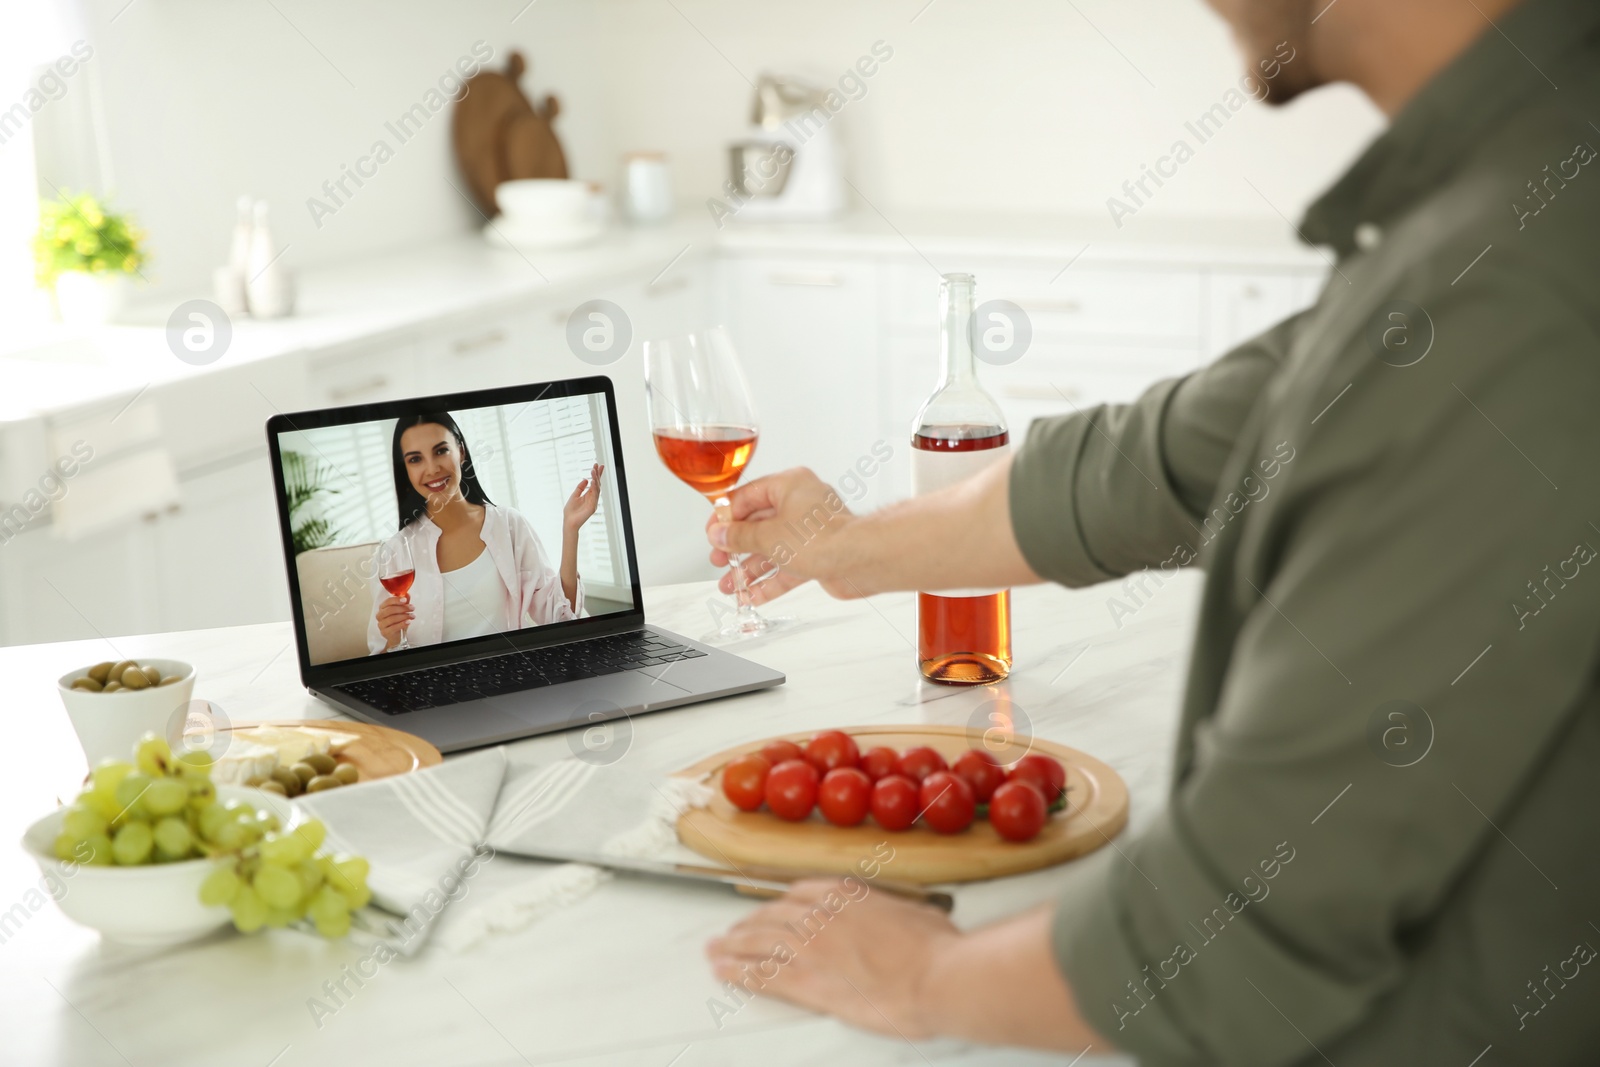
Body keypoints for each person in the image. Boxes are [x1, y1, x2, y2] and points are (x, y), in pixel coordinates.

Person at [701, 0, 1600, 1061]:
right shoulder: (1519, 176)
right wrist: (849, 550)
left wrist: (920, 973)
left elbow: (1237, 930)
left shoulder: (1506, 282)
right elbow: (1177, 457)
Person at [367, 412, 603, 653]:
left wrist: (570, 529)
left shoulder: (508, 525)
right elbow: (380, 657)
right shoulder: (394, 552)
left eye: (440, 451)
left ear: (461, 451)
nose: (432, 468)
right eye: (415, 459)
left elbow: (558, 618)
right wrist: (393, 641)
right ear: (405, 470)